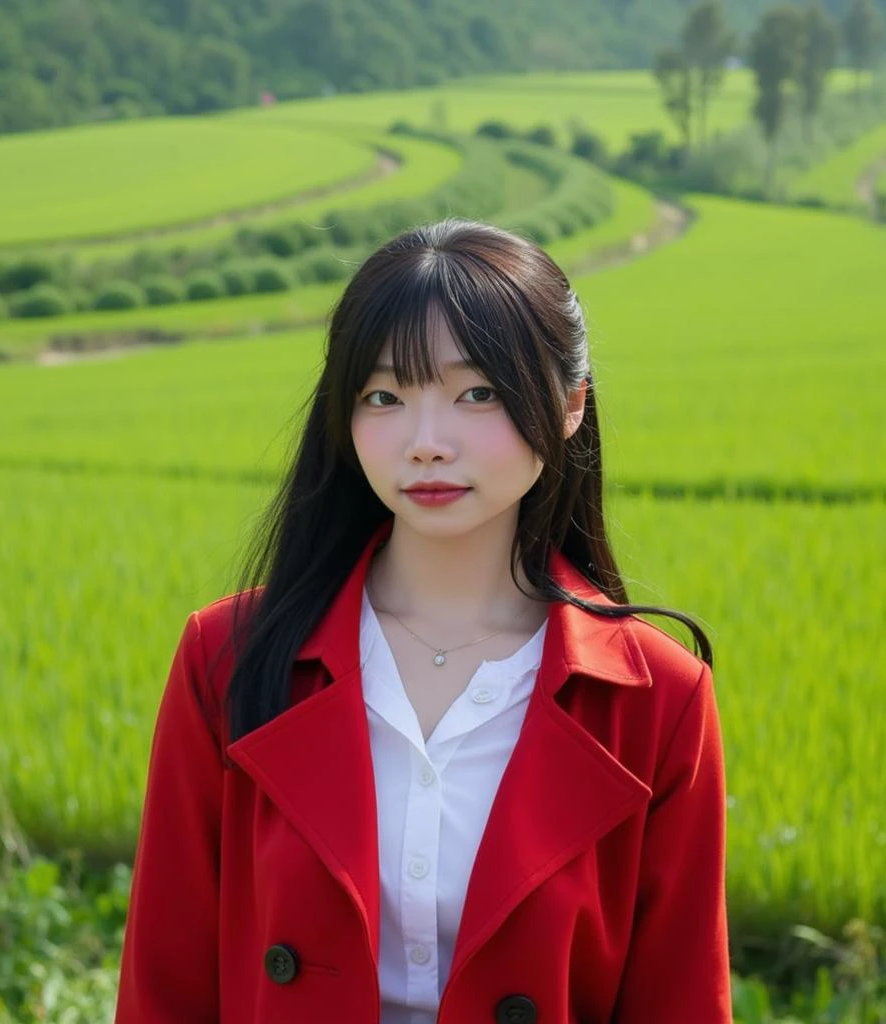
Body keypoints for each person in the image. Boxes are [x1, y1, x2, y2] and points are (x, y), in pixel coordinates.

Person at [113, 218, 732, 1023]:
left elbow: (680, 1000)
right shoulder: (230, 659)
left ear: (571, 403)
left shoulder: (657, 700)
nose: (427, 443)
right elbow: (164, 985)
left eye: (477, 392)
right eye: (385, 396)